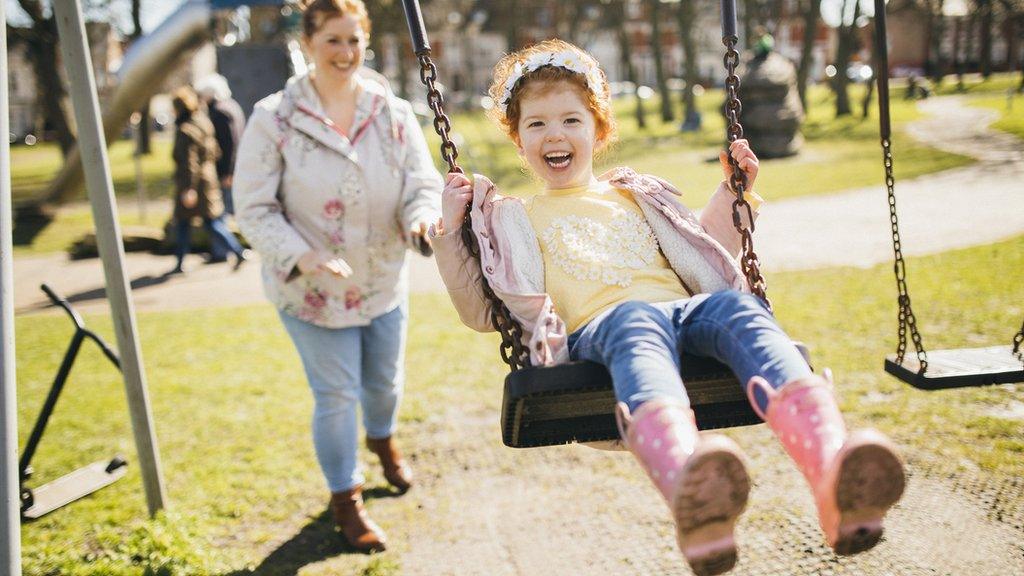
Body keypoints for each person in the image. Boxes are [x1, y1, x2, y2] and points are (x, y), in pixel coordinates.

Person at [432, 39, 906, 576]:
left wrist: (734, 195)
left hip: (683, 315)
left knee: (736, 309)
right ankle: (690, 483)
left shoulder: (636, 195)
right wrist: (453, 230)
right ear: (519, 143)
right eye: (537, 125)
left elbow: (703, 250)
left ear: (598, 131)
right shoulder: (511, 217)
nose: (556, 134)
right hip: (602, 332)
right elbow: (479, 311)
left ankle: (832, 469)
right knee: (633, 319)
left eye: (571, 119)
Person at [232, 0, 442, 553]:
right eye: (333, 41)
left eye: (354, 40)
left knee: (383, 384)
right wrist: (302, 255)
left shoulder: (391, 112)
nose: (346, 53)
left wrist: (422, 216)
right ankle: (346, 500)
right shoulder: (273, 117)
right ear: (307, 44)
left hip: (381, 277)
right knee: (335, 394)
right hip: (312, 291)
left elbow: (423, 182)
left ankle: (383, 439)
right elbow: (252, 207)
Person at [169, 86, 248, 274]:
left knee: (193, 223)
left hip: (194, 182)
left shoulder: (186, 129)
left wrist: (189, 188)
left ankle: (235, 250)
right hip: (208, 178)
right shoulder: (203, 122)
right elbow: (215, 151)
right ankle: (236, 250)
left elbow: (190, 161)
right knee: (207, 221)